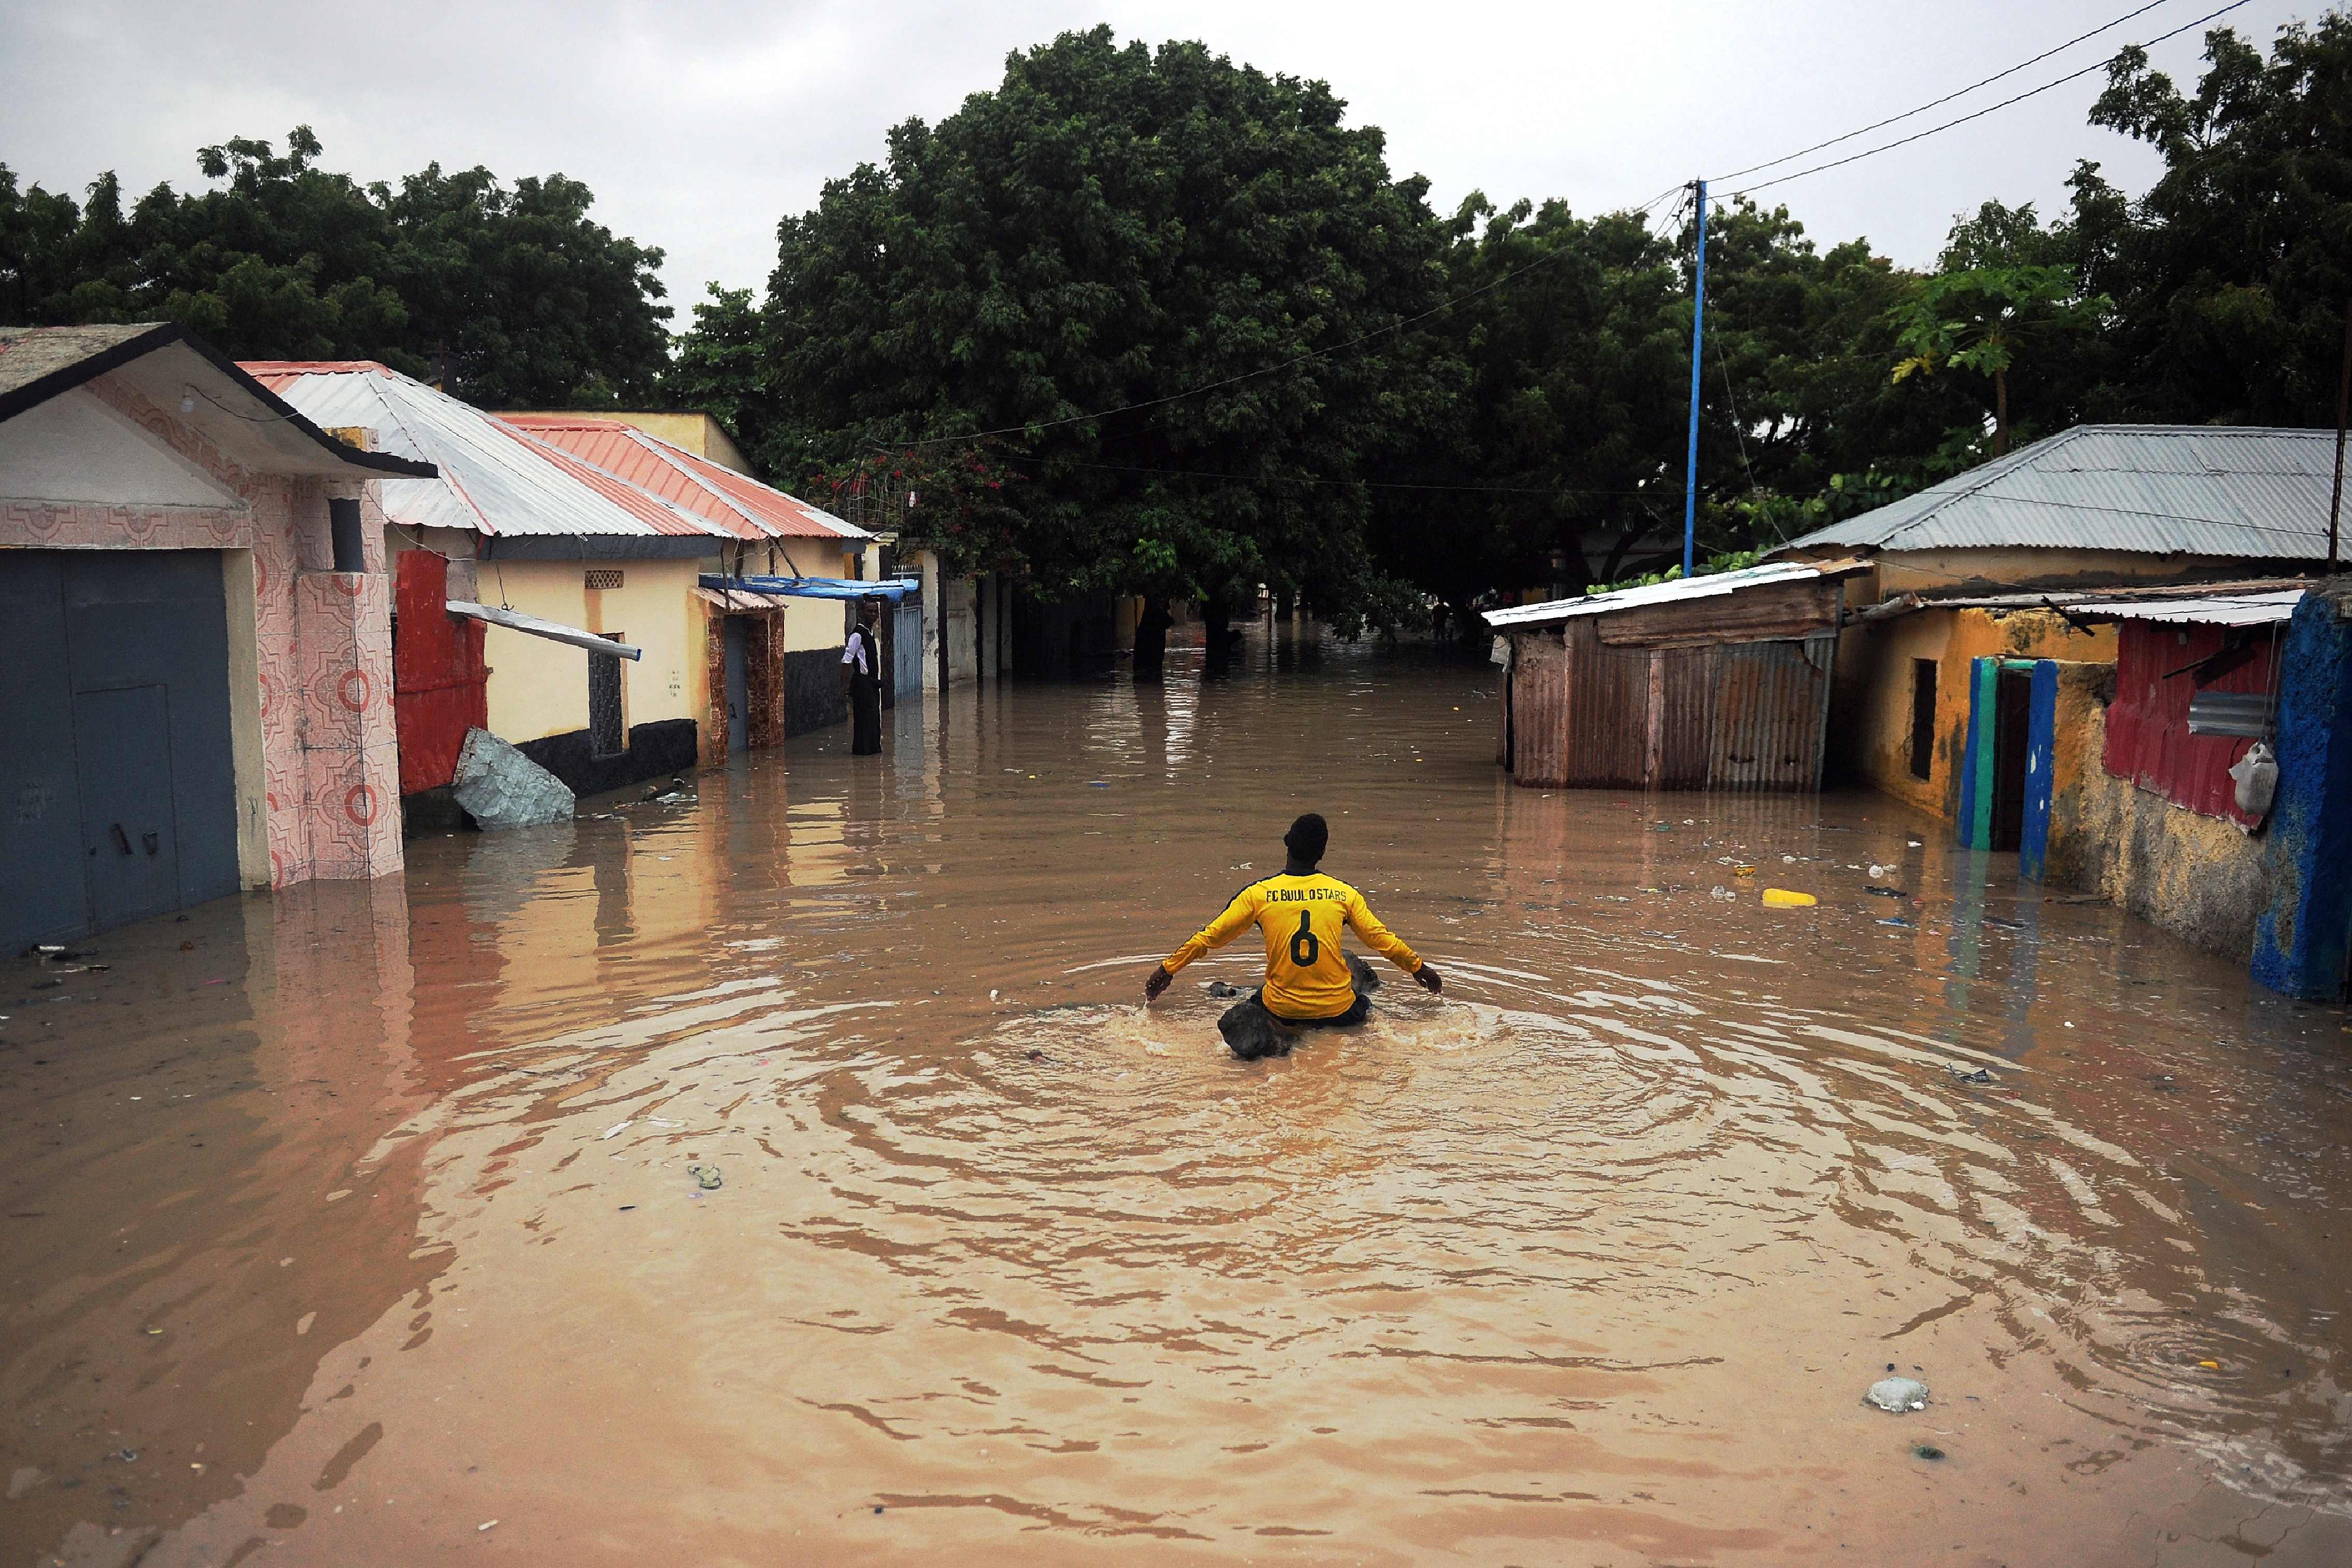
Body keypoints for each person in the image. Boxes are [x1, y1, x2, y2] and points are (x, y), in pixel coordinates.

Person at [1145, 813, 1440, 1050]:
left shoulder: (1258, 895)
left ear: (1286, 842)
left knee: (1257, 998)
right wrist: (1418, 968)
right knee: (1364, 1000)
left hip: (1282, 1010)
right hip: (1338, 1012)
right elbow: (1382, 940)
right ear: (1322, 853)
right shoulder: (1344, 895)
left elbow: (1210, 937)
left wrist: (1168, 969)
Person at [844, 599, 883, 756]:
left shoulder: (870, 633)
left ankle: (872, 751)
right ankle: (862, 752)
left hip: (872, 683)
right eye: (870, 611)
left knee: (874, 719)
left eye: (875, 611)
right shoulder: (857, 634)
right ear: (862, 613)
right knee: (864, 718)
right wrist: (844, 688)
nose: (873, 614)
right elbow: (847, 659)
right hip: (862, 683)